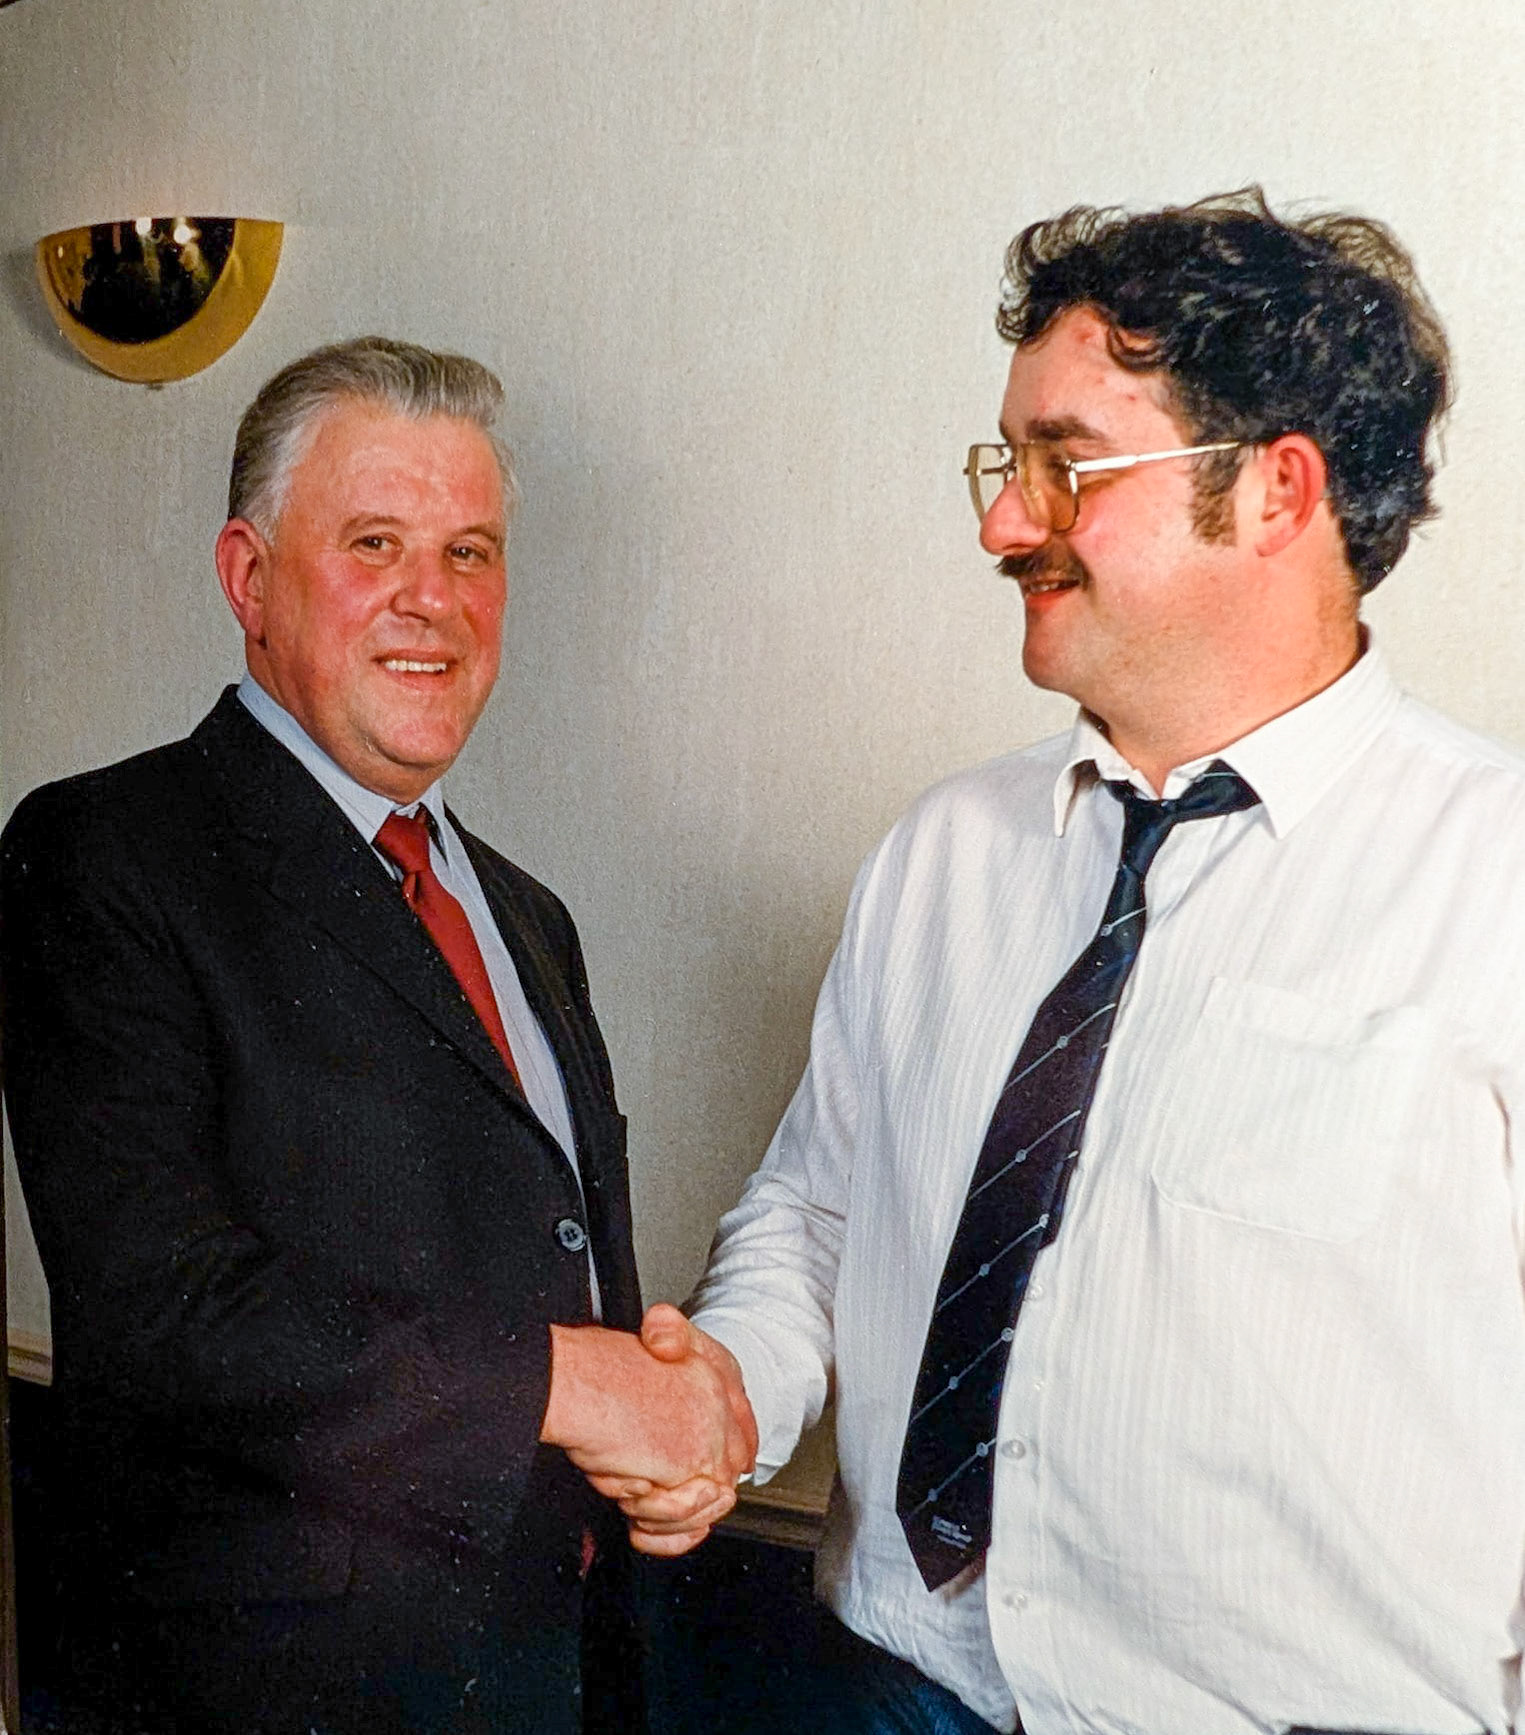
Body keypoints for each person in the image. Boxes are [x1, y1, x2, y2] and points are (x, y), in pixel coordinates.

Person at [633, 191, 1525, 1734]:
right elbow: (819, 1207)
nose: (999, 522)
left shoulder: (1495, 885)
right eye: (1006, 464)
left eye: (1067, 465)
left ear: (1273, 492)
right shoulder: (944, 852)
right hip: (881, 1690)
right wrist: (728, 1397)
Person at [0, 336, 754, 1735]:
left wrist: (670, 1444)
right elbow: (155, 1309)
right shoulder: (103, 853)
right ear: (248, 579)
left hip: (561, 1669)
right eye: (373, 543)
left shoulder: (528, 915)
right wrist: (571, 1384)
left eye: (471, 553)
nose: (434, 601)